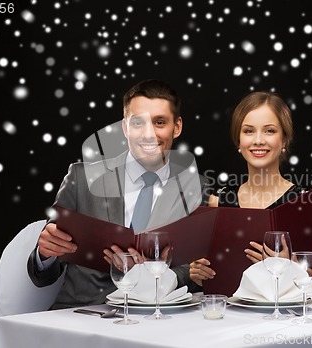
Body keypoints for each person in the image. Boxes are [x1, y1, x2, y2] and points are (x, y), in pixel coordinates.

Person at [28, 79, 206, 309]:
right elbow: (42, 275)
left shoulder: (195, 188)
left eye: (159, 122)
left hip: (155, 319)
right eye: (138, 123)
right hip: (81, 317)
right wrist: (45, 254)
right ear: (125, 127)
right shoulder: (82, 178)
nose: (148, 134)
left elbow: (191, 272)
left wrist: (152, 274)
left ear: (177, 127)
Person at [189, 91, 312, 303]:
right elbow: (216, 281)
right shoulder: (217, 203)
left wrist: (291, 267)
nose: (258, 140)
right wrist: (198, 273)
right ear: (238, 142)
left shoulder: (307, 203)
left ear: (284, 140)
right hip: (233, 319)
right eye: (249, 131)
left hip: (292, 323)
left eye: (269, 131)